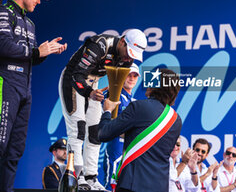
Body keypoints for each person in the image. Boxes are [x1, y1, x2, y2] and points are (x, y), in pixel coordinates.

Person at [0, 0, 67, 192]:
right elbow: (3, 45)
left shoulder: (30, 23)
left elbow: (32, 58)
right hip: (6, 83)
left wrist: (48, 52)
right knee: (0, 144)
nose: (39, 1)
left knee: (16, 149)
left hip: (25, 88)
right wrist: (37, 51)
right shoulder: (3, 12)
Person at [59, 29, 147, 190]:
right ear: (122, 41)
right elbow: (76, 75)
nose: (129, 58)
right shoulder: (99, 45)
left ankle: (91, 177)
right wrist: (89, 93)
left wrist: (107, 99)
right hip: (73, 81)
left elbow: (116, 82)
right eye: (128, 53)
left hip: (94, 84)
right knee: (78, 127)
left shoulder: (127, 60)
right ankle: (76, 176)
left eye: (133, 56)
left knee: (95, 131)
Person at [98, 68, 182, 192]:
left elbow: (103, 134)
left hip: (132, 185)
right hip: (160, 186)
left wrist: (107, 111)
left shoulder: (139, 106)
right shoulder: (176, 119)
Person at [103, 63, 140, 190]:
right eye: (129, 75)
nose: (131, 78)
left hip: (130, 150)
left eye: (135, 76)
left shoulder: (135, 102)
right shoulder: (114, 95)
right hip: (116, 147)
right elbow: (112, 126)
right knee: (112, 185)